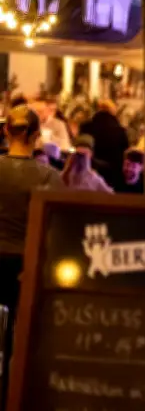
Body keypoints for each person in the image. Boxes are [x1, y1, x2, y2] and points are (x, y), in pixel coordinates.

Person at [0, 104, 62, 368]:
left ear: (5, 131)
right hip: (27, 267)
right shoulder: (50, 177)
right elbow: (56, 230)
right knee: (21, 342)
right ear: (37, 135)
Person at [79, 99, 129, 190]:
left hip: (90, 170)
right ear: (113, 111)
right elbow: (124, 153)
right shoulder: (120, 130)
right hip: (113, 174)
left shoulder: (85, 127)